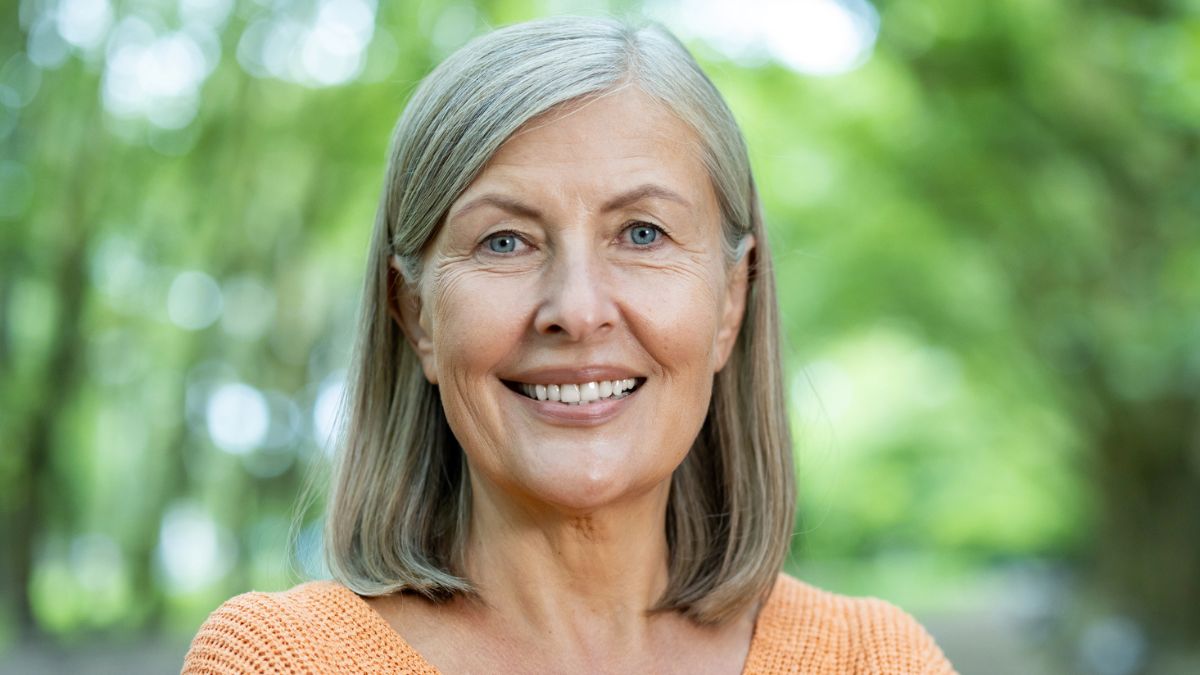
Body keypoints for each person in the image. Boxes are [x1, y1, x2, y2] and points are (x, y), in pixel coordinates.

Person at [183, 16, 956, 674]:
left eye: (642, 233)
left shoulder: (876, 659)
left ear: (732, 301)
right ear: (414, 313)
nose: (577, 310)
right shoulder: (281, 662)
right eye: (505, 240)